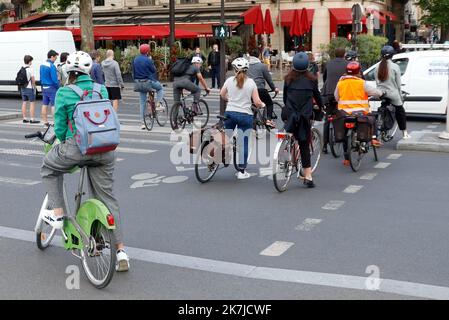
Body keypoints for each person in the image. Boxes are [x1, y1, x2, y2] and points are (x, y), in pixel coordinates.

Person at [40, 51, 130, 272]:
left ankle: (58, 214)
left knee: (48, 168)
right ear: (90, 71)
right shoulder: (100, 89)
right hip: (106, 149)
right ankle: (120, 251)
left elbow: (60, 127)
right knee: (107, 197)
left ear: (68, 71)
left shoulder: (64, 92)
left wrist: (61, 143)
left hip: (77, 149)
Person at [281, 52, 324, 188]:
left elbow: (285, 97)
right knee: (304, 144)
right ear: (307, 66)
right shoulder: (312, 80)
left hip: (289, 114)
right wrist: (321, 106)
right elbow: (317, 96)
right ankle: (308, 176)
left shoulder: (288, 79)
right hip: (304, 116)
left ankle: (290, 147)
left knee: (292, 132)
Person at [220, 57, 264, 180]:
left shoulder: (229, 81)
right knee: (244, 143)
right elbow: (256, 101)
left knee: (225, 138)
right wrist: (262, 105)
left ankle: (217, 157)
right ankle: (241, 171)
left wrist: (230, 100)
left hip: (229, 113)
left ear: (234, 69)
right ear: (246, 70)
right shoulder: (251, 83)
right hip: (245, 116)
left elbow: (222, 94)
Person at [335, 61, 384, 166]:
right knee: (373, 119)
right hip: (360, 112)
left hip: (344, 113)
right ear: (358, 71)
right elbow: (375, 92)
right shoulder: (361, 83)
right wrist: (381, 93)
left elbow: (336, 97)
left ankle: (347, 159)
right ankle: (374, 138)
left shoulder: (340, 83)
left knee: (345, 134)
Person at [375, 45, 410, 139]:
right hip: (392, 93)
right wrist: (400, 96)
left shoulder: (377, 66)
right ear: (392, 55)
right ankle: (404, 133)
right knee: (400, 111)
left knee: (382, 107)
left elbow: (377, 82)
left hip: (380, 93)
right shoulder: (395, 66)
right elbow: (398, 84)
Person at [321, 47, 348, 153]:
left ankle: (324, 145)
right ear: (344, 54)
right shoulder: (347, 64)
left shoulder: (329, 63)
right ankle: (343, 138)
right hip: (341, 93)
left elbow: (325, 77)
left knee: (327, 119)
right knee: (343, 116)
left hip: (328, 93)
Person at [133, 44, 165, 129]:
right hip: (148, 82)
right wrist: (151, 61)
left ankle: (142, 123)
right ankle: (158, 103)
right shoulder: (148, 60)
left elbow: (133, 71)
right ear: (147, 51)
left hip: (139, 82)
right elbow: (153, 70)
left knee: (142, 103)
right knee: (160, 88)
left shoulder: (135, 59)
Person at [247, 48, 279, 128]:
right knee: (269, 103)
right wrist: (274, 88)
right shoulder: (262, 66)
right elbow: (268, 79)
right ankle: (268, 120)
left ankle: (252, 122)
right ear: (259, 56)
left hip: (249, 90)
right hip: (260, 89)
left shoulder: (246, 65)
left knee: (252, 106)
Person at [40, 49, 59, 126]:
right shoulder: (52, 66)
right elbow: (54, 79)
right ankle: (55, 122)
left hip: (44, 86)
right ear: (51, 57)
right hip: (51, 87)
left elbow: (41, 76)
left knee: (44, 104)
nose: (55, 59)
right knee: (53, 105)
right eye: (55, 57)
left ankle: (45, 122)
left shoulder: (42, 65)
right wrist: (58, 87)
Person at [20, 55, 39, 124]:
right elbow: (33, 80)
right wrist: (34, 87)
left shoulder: (22, 68)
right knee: (32, 103)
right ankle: (32, 119)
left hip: (23, 88)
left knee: (24, 102)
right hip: (29, 88)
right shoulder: (30, 69)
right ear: (30, 61)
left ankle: (24, 118)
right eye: (31, 61)